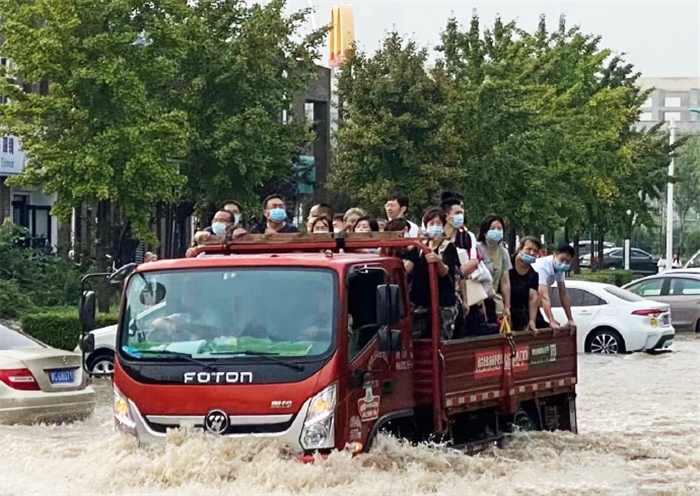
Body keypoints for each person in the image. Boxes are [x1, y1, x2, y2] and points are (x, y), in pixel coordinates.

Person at [403, 207, 460, 340]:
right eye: (431, 223)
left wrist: (438, 262)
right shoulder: (419, 248)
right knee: (414, 338)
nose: (435, 226)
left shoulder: (448, 247)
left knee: (441, 340)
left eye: (439, 223)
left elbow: (446, 272)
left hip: (443, 302)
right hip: (420, 301)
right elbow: (407, 268)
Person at [476, 214, 512, 323]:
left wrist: (506, 306)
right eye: (492, 229)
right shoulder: (476, 248)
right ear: (484, 231)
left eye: (499, 229)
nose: (496, 231)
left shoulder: (503, 252)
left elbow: (505, 281)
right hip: (476, 300)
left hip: (492, 300)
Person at [532, 243, 576, 332]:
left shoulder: (559, 270)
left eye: (567, 262)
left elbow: (563, 293)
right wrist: (551, 320)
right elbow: (543, 295)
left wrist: (570, 319)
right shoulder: (542, 266)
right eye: (562, 260)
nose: (564, 264)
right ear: (554, 255)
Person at [509, 237, 542, 332]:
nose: (532, 253)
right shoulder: (507, 265)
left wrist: (532, 321)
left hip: (522, 314)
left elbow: (533, 298)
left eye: (535, 251)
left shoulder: (534, 275)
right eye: (528, 249)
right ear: (520, 249)